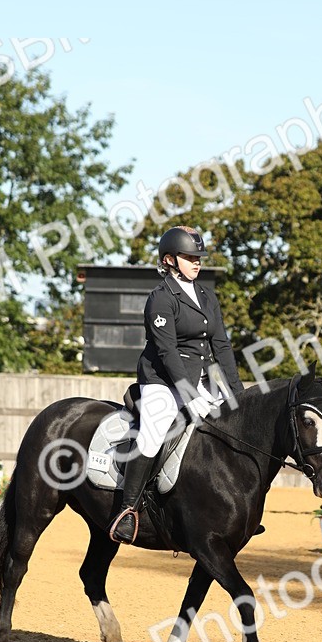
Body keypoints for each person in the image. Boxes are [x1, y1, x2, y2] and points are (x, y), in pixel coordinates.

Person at [109, 226, 245, 544]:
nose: (197, 262)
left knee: (230, 427)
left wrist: (238, 393)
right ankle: (128, 510)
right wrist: (188, 393)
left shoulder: (207, 297)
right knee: (155, 429)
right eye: (189, 257)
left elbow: (222, 346)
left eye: (199, 257)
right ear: (170, 260)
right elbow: (167, 351)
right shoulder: (160, 298)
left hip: (201, 379)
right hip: (161, 380)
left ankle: (231, 509)